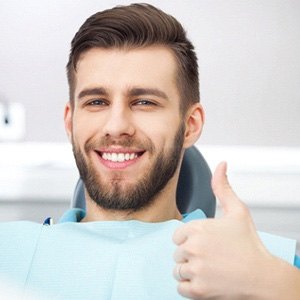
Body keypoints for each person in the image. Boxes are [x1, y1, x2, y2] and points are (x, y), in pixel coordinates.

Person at [0, 3, 299, 299]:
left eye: (144, 102)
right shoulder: (8, 252)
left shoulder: (271, 266)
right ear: (70, 121)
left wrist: (275, 284)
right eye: (96, 102)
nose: (117, 126)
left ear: (190, 125)